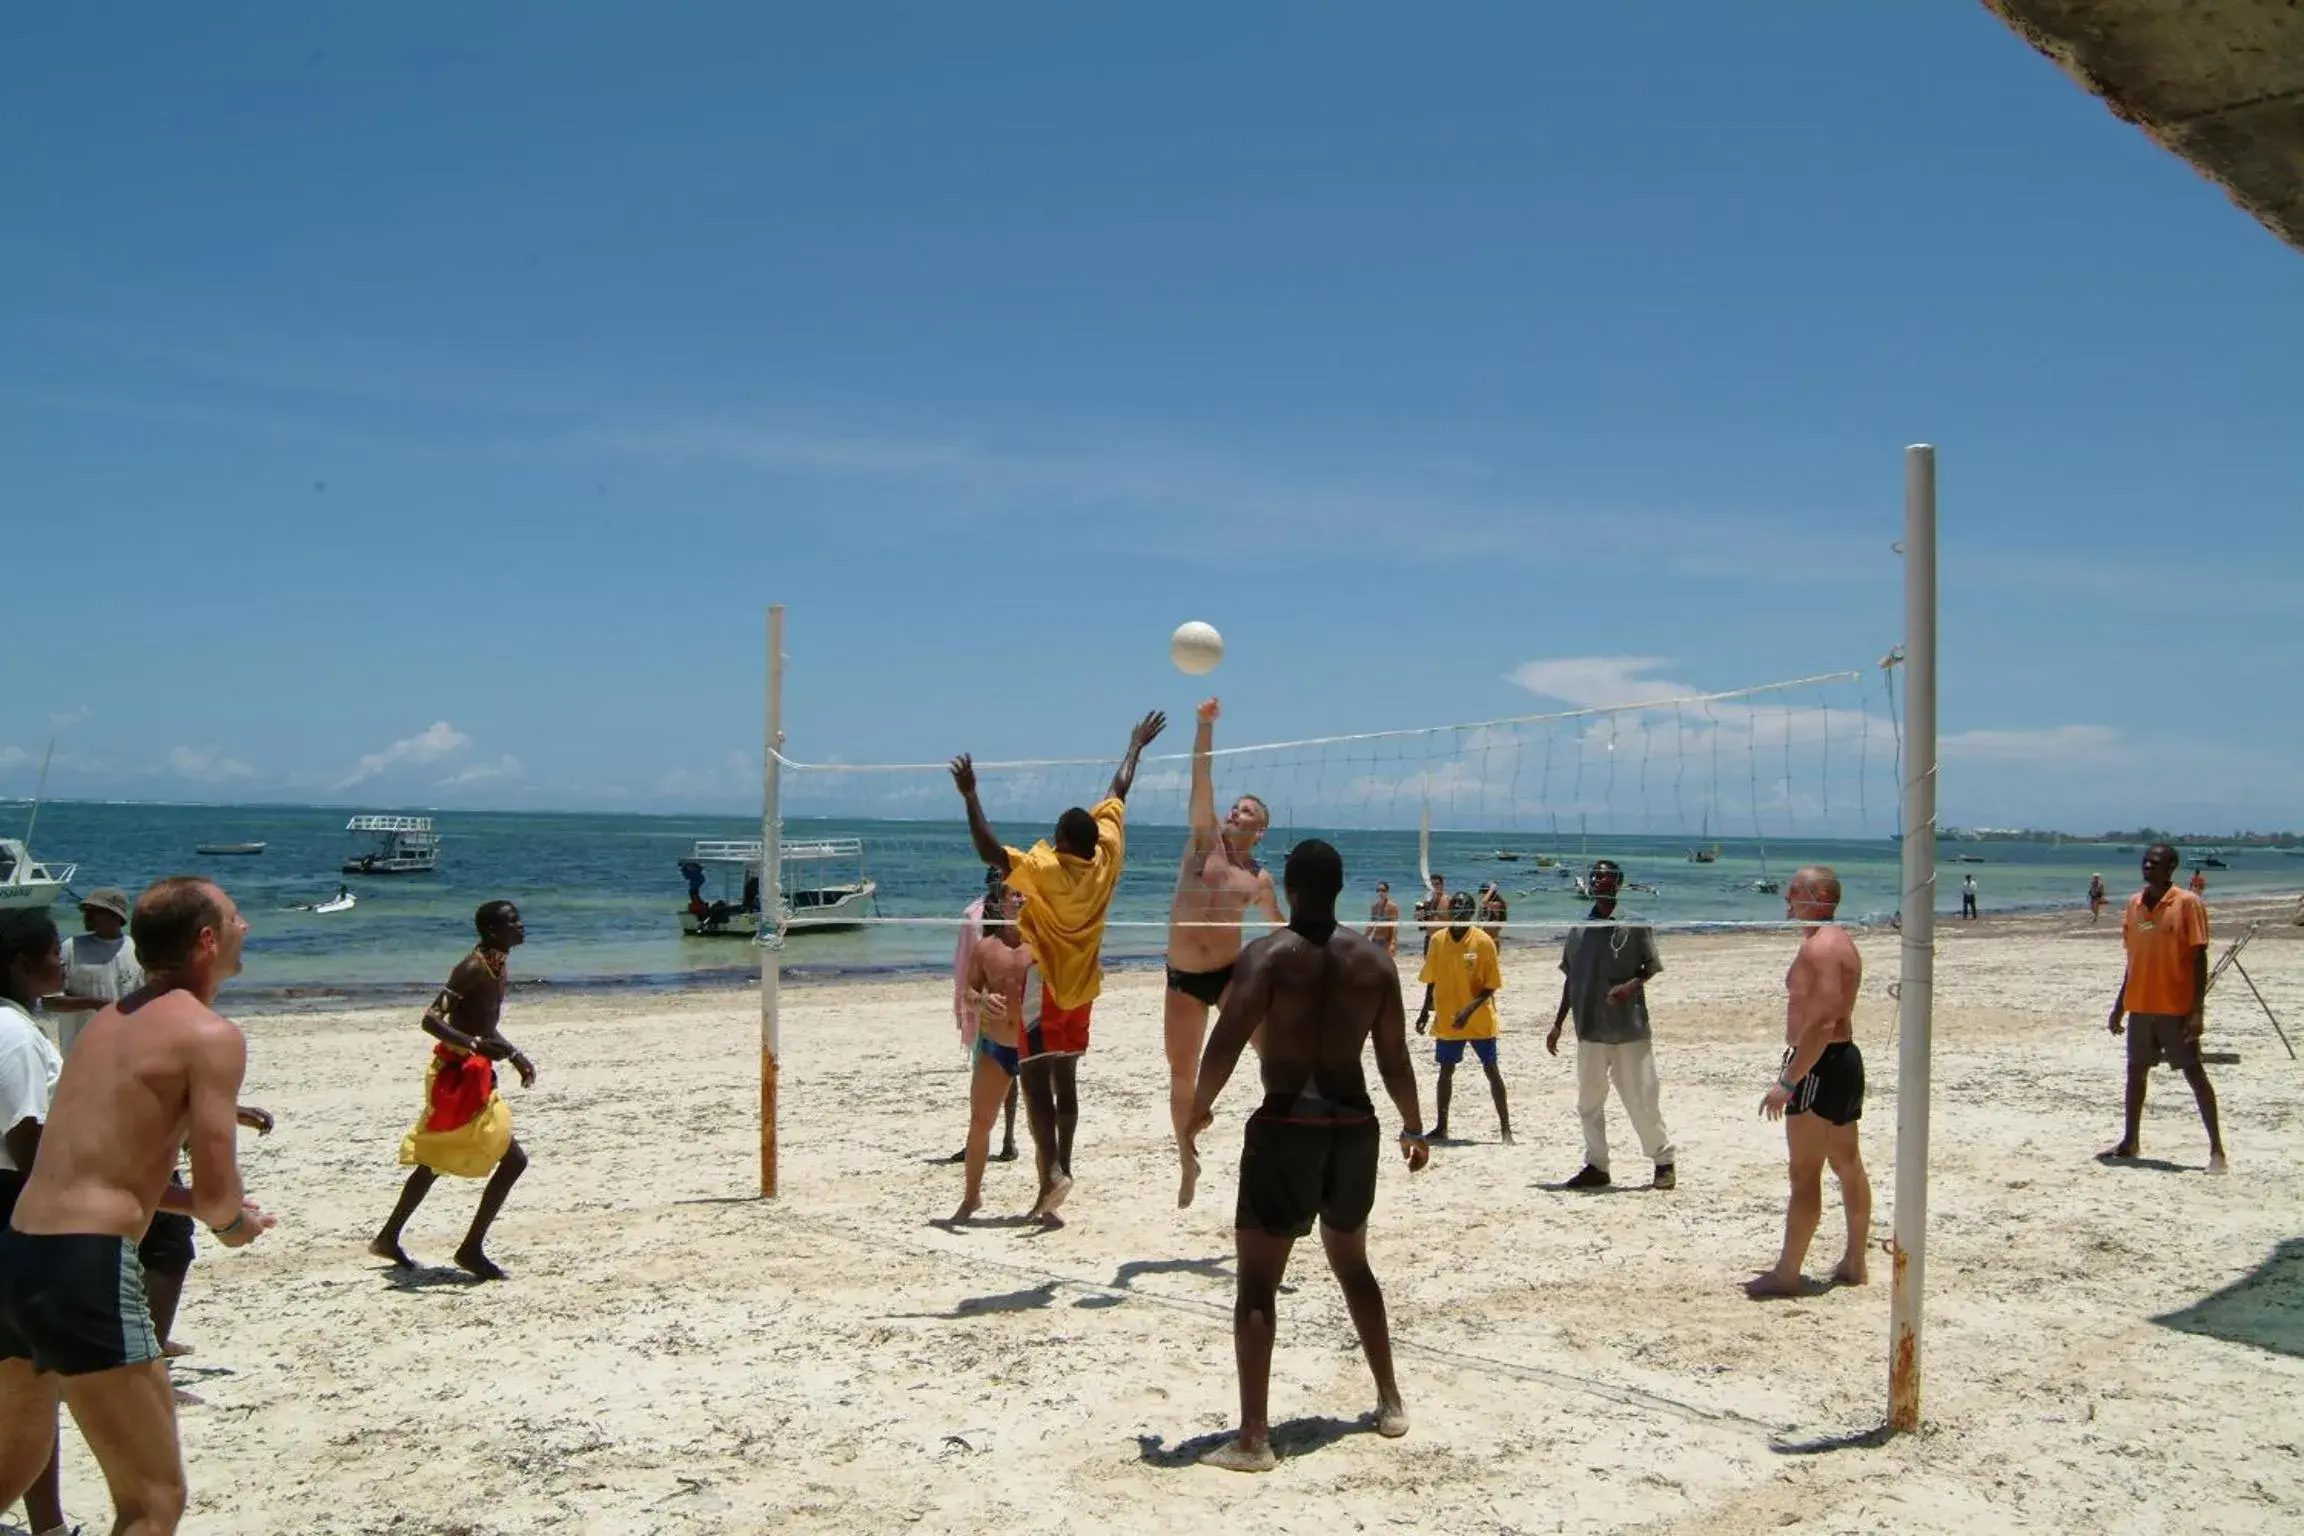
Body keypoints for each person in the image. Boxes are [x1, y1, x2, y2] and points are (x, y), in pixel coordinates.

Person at [0, 877, 276, 1536]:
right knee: (153, 1502)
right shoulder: (211, 1036)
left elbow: (103, 1170)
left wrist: (193, 1204)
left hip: (16, 1253)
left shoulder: (106, 1024)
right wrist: (239, 1225)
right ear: (207, 941)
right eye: (237, 918)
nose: (248, 929)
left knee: (9, 1467)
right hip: (85, 1268)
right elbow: (218, 1200)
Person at [1184, 839, 1427, 1472]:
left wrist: (1197, 1108)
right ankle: (1390, 1401)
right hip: (1354, 1124)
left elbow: (1227, 1041)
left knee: (1258, 1284)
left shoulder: (1266, 957)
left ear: (1286, 889)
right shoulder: (1374, 963)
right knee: (1354, 1266)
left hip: (1288, 1122)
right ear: (1340, 888)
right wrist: (1414, 1124)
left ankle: (1255, 1439)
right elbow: (1394, 1058)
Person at [951, 710, 1165, 1220]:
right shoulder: (1108, 851)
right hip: (1086, 987)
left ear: (1063, 843)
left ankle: (1052, 1174)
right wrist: (1135, 745)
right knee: (1065, 1081)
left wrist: (970, 796)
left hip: (1045, 986)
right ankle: (1062, 1167)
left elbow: (989, 850)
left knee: (1033, 1081)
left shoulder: (1048, 870)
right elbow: (1120, 788)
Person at [369, 901, 536, 1280]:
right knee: (512, 1161)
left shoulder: (498, 964)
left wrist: (513, 1055)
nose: (522, 926)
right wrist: (476, 1046)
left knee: (435, 1160)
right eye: (514, 922)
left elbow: (484, 1023)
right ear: (493, 931)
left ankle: (389, 1237)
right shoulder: (472, 968)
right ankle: (470, 1249)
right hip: (457, 1075)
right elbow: (430, 1018)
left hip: (476, 1072)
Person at [1162, 698, 1283, 1207]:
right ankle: (1187, 1155)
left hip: (1229, 974)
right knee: (1182, 1074)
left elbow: (1281, 929)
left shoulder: (1258, 879)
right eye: (1236, 806)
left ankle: (1284, 1125)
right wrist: (1204, 725)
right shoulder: (1201, 841)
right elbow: (1201, 775)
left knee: (1271, 1053)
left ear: (1260, 829)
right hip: (1184, 978)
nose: (1236, 811)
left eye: (1248, 811)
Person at [1749, 866, 1870, 1298]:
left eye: (1795, 890)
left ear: (1818, 896)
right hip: (1840, 1059)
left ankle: (1788, 1272)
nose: (1787, 896)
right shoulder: (1836, 942)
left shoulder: (1822, 948)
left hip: (1820, 1063)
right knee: (1846, 1163)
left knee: (1805, 1173)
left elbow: (1822, 1022)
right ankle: (1855, 1261)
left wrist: (1789, 1080)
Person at [1547, 860, 1677, 1191]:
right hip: (1589, 1027)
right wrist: (1558, 1023)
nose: (1595, 878)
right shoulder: (1579, 928)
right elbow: (1571, 978)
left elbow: (1650, 966)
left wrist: (1629, 987)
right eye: (1593, 874)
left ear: (1618, 882)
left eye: (1603, 874)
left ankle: (1663, 1161)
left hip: (1628, 1028)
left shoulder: (1634, 924)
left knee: (1642, 1097)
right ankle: (1596, 1165)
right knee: (1588, 1102)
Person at [0, 912, 68, 1536]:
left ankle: (47, 1523)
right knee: (31, 1383)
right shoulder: (16, 1037)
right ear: (23, 963)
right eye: (54, 951)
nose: (64, 961)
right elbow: (29, 1151)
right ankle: (46, 1524)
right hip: (17, 1216)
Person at [2106, 844, 2225, 1172]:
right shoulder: (2133, 904)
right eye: (2145, 862)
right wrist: (2120, 1007)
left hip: (2175, 1007)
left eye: (2155, 863)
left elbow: (2199, 957)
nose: (2148, 866)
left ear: (2171, 867)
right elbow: (2133, 962)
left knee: (2194, 1073)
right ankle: (2130, 1141)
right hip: (2141, 1006)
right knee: (2135, 1074)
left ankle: (2217, 1150)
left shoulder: (2187, 903)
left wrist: (2197, 1010)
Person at [948, 875, 1038, 1224]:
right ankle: (971, 1198)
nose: (1019, 899)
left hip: (1034, 1045)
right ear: (1000, 904)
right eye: (1013, 894)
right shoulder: (985, 947)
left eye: (1024, 894)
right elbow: (967, 994)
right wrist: (982, 1000)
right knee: (980, 1121)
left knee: (1041, 1125)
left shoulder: (1043, 944)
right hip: (996, 1045)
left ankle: (1047, 1200)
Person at [1415, 890, 1510, 1143]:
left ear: (1470, 912)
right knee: (1445, 1072)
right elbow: (1431, 979)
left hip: (1478, 1019)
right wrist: (1425, 1010)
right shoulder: (1437, 940)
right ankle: (1441, 1127)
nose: (1457, 911)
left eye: (1462, 907)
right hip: (1447, 1017)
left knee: (1491, 1070)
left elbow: (1491, 985)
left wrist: (1469, 1010)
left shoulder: (1483, 942)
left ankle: (1505, 1129)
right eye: (1454, 906)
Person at [942, 878, 1020, 1167]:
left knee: (1011, 1072)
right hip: (983, 1005)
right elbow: (965, 966)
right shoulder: (974, 916)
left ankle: (1008, 1139)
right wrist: (967, 1004)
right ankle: (978, 1140)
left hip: (1011, 1006)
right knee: (983, 1075)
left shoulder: (1019, 916)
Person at [40, 886, 144, 1057]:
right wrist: (94, 1003)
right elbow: (49, 1002)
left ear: (115, 916)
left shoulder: (136, 950)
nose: (86, 916)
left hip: (124, 1053)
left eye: (93, 911)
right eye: (85, 911)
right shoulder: (71, 947)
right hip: (78, 1054)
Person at [1363, 881, 1399, 958]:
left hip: (1386, 941)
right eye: (1378, 890)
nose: (1381, 892)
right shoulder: (1374, 906)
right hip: (1375, 940)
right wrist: (1363, 938)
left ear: (1387, 892)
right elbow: (1371, 924)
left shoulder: (1392, 907)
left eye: (1383, 890)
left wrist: (1393, 943)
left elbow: (1394, 927)